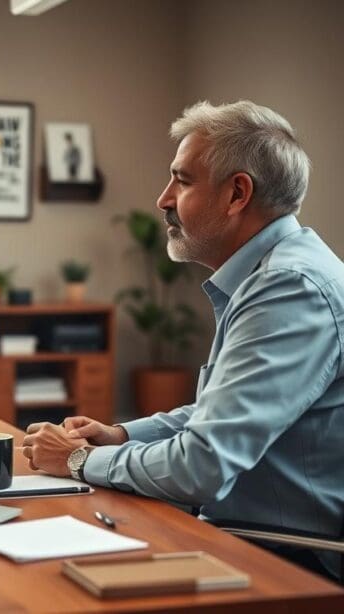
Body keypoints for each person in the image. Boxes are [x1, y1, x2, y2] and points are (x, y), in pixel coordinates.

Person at [22, 100, 344, 579]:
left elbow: (202, 464)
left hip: (290, 559)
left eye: (182, 180)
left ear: (237, 194)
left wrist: (78, 459)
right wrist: (123, 435)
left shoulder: (289, 288)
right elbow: (222, 411)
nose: (164, 199)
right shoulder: (273, 274)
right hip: (244, 535)